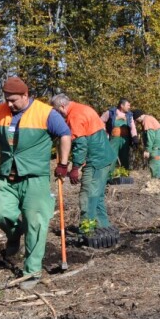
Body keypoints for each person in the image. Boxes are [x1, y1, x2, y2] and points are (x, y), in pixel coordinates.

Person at [0, 76, 72, 289]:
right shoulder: (0, 111)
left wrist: (63, 163)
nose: (9, 104)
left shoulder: (46, 113)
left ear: (25, 95)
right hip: (7, 175)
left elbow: (65, 135)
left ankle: (31, 272)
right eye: (6, 99)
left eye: (13, 100)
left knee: (36, 224)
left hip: (35, 177)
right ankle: (14, 234)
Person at [51, 94, 117, 227]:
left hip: (96, 161)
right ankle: (103, 227)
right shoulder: (83, 108)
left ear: (62, 106)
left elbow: (80, 145)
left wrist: (75, 168)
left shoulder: (74, 116)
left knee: (87, 195)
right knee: (97, 195)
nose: (59, 115)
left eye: (57, 111)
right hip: (105, 157)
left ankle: (88, 229)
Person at [99, 98, 138, 171]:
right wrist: (104, 132)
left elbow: (133, 127)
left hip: (125, 139)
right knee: (112, 156)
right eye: (128, 105)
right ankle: (109, 174)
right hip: (114, 138)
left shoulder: (129, 115)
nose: (129, 107)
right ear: (122, 105)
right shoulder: (111, 113)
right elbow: (100, 121)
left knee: (125, 157)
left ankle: (125, 174)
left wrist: (135, 137)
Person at [133, 111, 160, 179]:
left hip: (157, 146)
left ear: (139, 116)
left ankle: (156, 179)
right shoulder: (148, 118)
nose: (137, 122)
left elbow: (150, 136)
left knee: (155, 160)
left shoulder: (147, 120)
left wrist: (147, 150)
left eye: (136, 120)